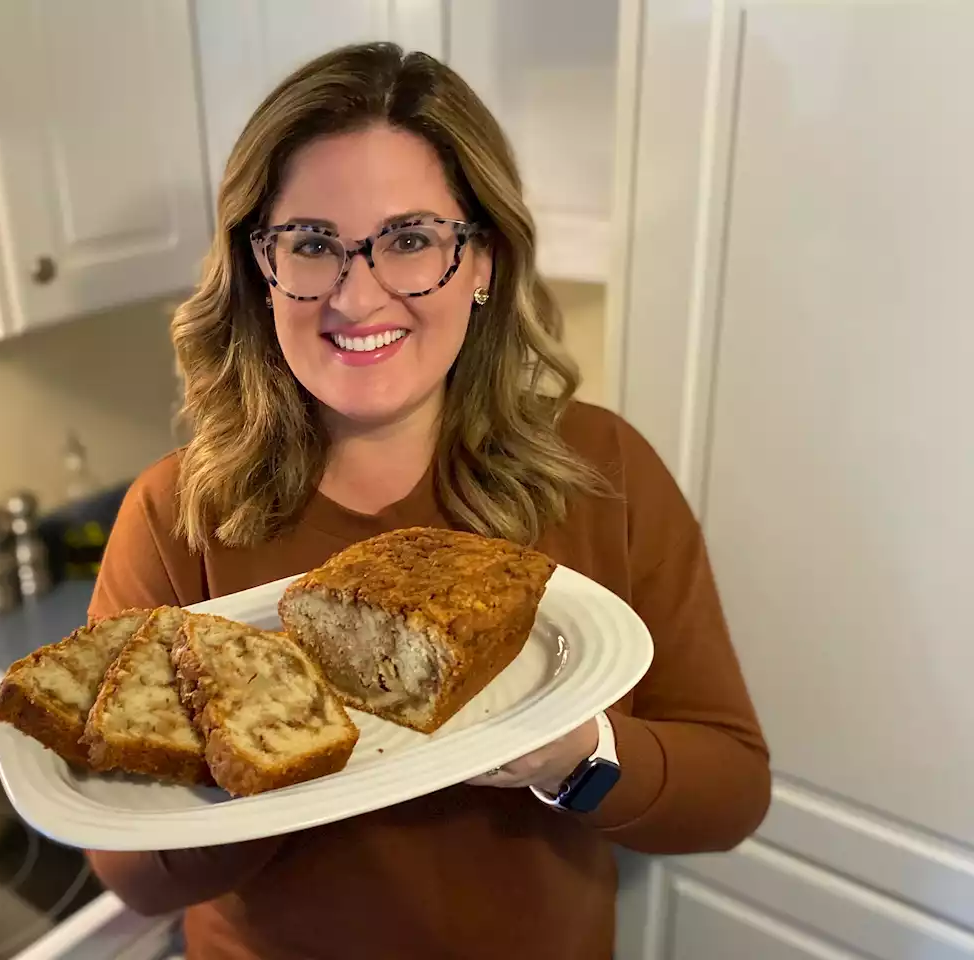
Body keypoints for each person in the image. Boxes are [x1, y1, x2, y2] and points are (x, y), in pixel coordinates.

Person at [85, 42, 769, 960]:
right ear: (260, 265)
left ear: (482, 260)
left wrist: (573, 756)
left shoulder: (603, 468)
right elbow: (126, 860)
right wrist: (277, 756)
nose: (357, 295)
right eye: (313, 244)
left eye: (411, 240)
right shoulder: (176, 516)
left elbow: (730, 790)